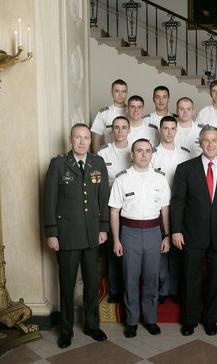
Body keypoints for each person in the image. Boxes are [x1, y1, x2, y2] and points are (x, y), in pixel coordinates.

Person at [43, 123, 109, 348]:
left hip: (92, 235)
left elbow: (103, 199)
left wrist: (103, 228)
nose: (82, 142)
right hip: (67, 236)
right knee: (67, 285)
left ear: (91, 141)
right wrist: (52, 233)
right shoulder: (58, 164)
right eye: (78, 137)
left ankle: (92, 325)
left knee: (92, 284)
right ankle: (66, 330)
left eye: (86, 138)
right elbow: (49, 201)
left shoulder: (98, 163)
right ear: (71, 139)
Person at [171, 125, 217, 337]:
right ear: (199, 143)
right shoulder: (185, 169)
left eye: (214, 140)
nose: (210, 144)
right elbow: (178, 203)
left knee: (215, 279)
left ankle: (211, 319)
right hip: (191, 234)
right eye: (206, 140)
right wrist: (176, 231)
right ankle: (190, 320)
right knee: (191, 279)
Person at [108, 139, 171, 338]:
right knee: (130, 279)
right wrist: (117, 240)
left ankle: (150, 319)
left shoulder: (160, 179)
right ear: (132, 155)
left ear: (152, 154)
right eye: (139, 151)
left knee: (152, 279)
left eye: (147, 151)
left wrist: (166, 236)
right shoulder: (122, 180)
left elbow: (165, 210)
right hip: (130, 232)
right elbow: (114, 211)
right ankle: (132, 321)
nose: (144, 155)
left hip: (153, 232)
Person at [151, 116, 191, 304]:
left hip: (180, 207)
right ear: (160, 130)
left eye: (172, 128)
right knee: (160, 249)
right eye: (165, 128)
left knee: (177, 248)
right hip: (157, 208)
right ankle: (163, 287)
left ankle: (174, 288)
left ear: (176, 131)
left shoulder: (184, 154)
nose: (168, 132)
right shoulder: (152, 154)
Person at [97, 116, 132, 303]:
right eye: (116, 128)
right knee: (114, 247)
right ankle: (116, 289)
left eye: (124, 127)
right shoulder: (104, 152)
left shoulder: (136, 150)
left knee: (130, 250)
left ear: (129, 130)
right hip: (110, 205)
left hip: (131, 206)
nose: (120, 131)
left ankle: (131, 289)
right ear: (112, 131)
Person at [91, 79, 128, 152]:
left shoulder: (133, 113)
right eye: (117, 91)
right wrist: (98, 160)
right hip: (109, 156)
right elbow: (96, 140)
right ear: (111, 93)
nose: (120, 94)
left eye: (123, 91)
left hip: (128, 156)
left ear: (127, 93)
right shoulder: (103, 113)